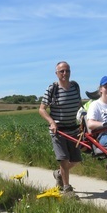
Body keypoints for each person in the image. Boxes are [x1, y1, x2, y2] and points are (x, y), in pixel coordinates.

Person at [39, 61, 82, 197]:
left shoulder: (75, 86)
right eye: (62, 71)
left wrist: (83, 122)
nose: (65, 74)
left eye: (67, 71)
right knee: (63, 159)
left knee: (75, 160)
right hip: (58, 131)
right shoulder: (53, 89)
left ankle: (58, 174)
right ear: (56, 73)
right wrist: (51, 122)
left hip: (74, 129)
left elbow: (79, 105)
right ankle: (67, 188)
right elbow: (41, 109)